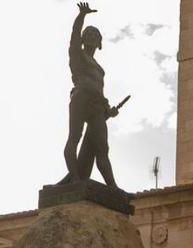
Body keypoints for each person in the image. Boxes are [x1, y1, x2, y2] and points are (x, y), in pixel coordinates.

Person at [63, 2, 121, 187]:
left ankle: (112, 187)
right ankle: (75, 177)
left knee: (102, 147)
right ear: (82, 39)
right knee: (74, 137)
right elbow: (73, 36)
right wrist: (81, 16)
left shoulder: (100, 70)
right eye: (87, 34)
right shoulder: (77, 55)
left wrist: (108, 111)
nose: (90, 36)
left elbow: (100, 92)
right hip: (80, 98)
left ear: (99, 42)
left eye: (94, 35)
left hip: (97, 105)